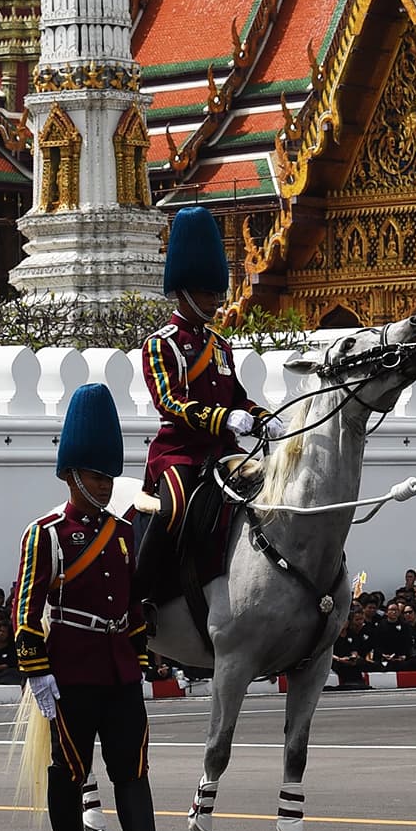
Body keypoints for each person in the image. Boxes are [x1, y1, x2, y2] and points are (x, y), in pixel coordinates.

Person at [12, 384, 187, 831]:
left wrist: (138, 656)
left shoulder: (119, 532)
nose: (106, 486)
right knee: (69, 769)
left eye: (109, 476)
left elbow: (129, 605)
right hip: (70, 668)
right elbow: (25, 609)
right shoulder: (46, 534)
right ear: (70, 475)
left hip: (117, 670)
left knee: (133, 769)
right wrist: (36, 671)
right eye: (95, 476)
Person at [137, 207, 275, 606]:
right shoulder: (161, 343)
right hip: (179, 452)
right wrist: (223, 419)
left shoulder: (220, 345)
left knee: (267, 492)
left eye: (216, 292)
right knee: (172, 511)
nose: (216, 300)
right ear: (183, 291)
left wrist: (265, 418)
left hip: (222, 452)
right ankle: (144, 596)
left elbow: (238, 398)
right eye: (208, 293)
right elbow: (169, 402)